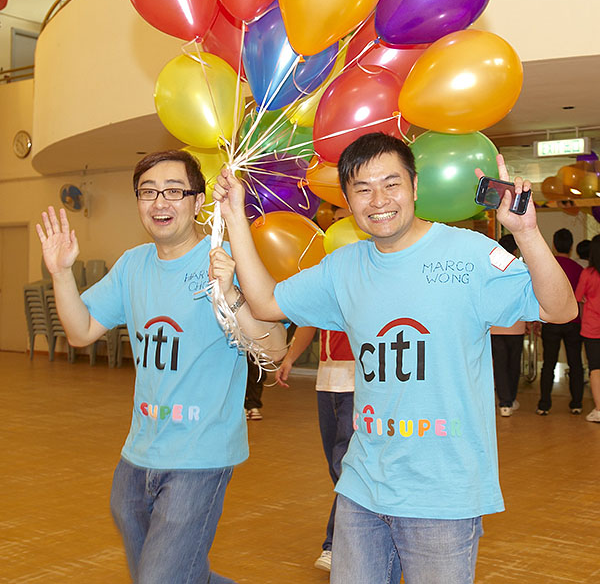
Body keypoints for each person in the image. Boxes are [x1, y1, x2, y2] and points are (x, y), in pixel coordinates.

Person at [213, 132, 576, 584]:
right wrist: (235, 217)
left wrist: (526, 233)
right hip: (362, 488)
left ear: (415, 186)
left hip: (443, 494)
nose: (379, 200)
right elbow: (267, 303)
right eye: (362, 189)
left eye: (391, 184)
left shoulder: (468, 254)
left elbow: (560, 310)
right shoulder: (344, 267)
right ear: (347, 199)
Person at [36, 149, 286, 584]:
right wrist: (61, 274)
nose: (159, 202)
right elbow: (81, 331)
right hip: (137, 456)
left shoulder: (225, 259)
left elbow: (276, 347)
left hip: (200, 457)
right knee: (172, 576)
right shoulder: (133, 264)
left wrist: (230, 294)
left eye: (173, 191)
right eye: (147, 192)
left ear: (198, 200)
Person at [276, 321, 354, 572]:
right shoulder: (323, 292)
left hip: (358, 383)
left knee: (346, 470)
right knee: (336, 470)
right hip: (327, 385)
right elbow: (309, 322)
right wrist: (290, 358)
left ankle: (335, 545)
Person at [536, 228, 584, 415]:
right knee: (575, 363)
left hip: (551, 321)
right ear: (571, 247)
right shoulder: (578, 269)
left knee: (548, 363)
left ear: (554, 245)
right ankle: (577, 403)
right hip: (573, 321)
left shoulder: (548, 266)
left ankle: (544, 405)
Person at [490, 234, 534, 417]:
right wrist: (530, 321)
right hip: (516, 326)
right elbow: (526, 298)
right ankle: (511, 398)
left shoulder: (491, 269)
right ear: (515, 250)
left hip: (495, 327)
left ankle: (504, 403)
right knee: (514, 365)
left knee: (499, 365)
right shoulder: (520, 269)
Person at [575, 234, 600, 422]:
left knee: (595, 369)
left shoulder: (588, 274)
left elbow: (577, 296)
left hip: (592, 327)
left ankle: (599, 409)